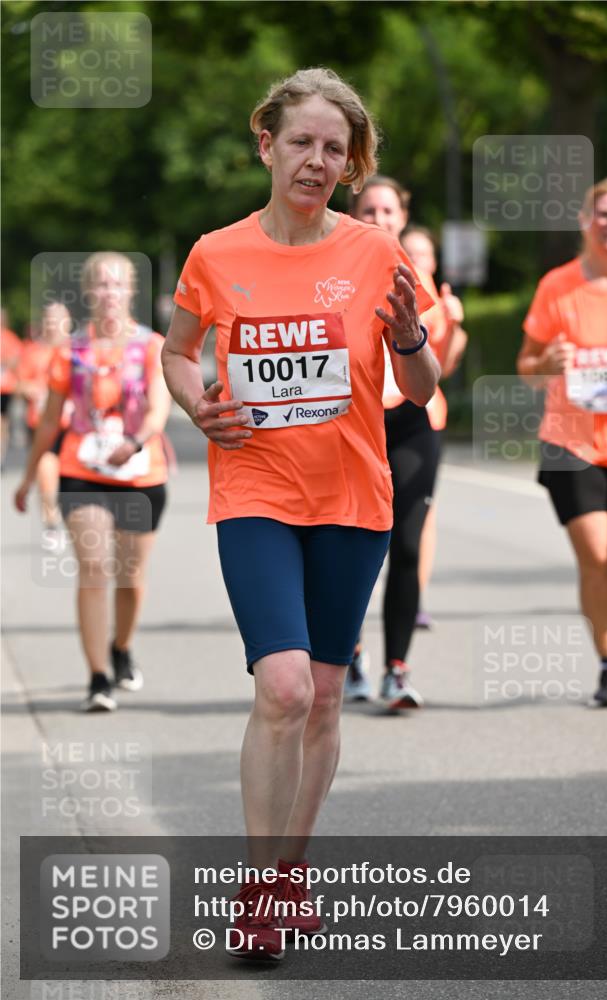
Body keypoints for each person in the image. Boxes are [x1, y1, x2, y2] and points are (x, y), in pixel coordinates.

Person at [161, 68, 439, 960]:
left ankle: (291, 870)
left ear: (348, 163)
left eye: (334, 148)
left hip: (354, 499)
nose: (316, 160)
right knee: (281, 685)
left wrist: (409, 342)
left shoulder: (373, 253)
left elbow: (423, 385)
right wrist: (192, 399)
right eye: (301, 143)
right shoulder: (216, 254)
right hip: (255, 490)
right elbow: (177, 352)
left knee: (322, 696)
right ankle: (254, 892)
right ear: (265, 144)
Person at [517, 177, 607, 709]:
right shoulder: (558, 286)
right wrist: (545, 365)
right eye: (602, 214)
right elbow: (527, 367)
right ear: (586, 220)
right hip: (572, 441)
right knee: (597, 558)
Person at [15, 252, 171, 712]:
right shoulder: (70, 351)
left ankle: (121, 646)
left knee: (130, 576)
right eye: (100, 285)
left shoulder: (150, 346)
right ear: (88, 292)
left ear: (130, 292)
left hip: (141, 471)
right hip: (80, 471)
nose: (108, 293)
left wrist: (137, 441)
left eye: (117, 285)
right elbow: (48, 422)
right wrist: (27, 478)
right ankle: (98, 676)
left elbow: (159, 411)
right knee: (95, 567)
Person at [346, 179, 466, 708]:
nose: (378, 216)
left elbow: (438, 365)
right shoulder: (334, 272)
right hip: (351, 426)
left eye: (387, 209)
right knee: (347, 549)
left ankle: (397, 667)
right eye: (368, 207)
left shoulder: (420, 283)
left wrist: (450, 328)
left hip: (414, 422)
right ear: (354, 212)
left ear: (402, 217)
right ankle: (348, 654)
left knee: (409, 545)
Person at [401, 225, 467, 629]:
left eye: (424, 255)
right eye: (411, 252)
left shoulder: (439, 305)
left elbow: (444, 364)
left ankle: (414, 597)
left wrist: (455, 325)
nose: (417, 260)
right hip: (372, 416)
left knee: (419, 515)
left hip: (424, 416)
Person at [17, 302, 73, 549]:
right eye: (49, 319)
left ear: (68, 322)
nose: (53, 325)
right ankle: (51, 523)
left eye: (58, 319)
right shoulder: (33, 352)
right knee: (45, 472)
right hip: (41, 425)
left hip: (74, 428)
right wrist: (37, 391)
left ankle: (79, 521)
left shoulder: (78, 351)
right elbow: (18, 384)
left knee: (70, 480)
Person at [1, 309, 24, 465]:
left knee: (2, 423)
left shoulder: (10, 338)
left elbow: (17, 361)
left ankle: (1, 456)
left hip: (4, 388)